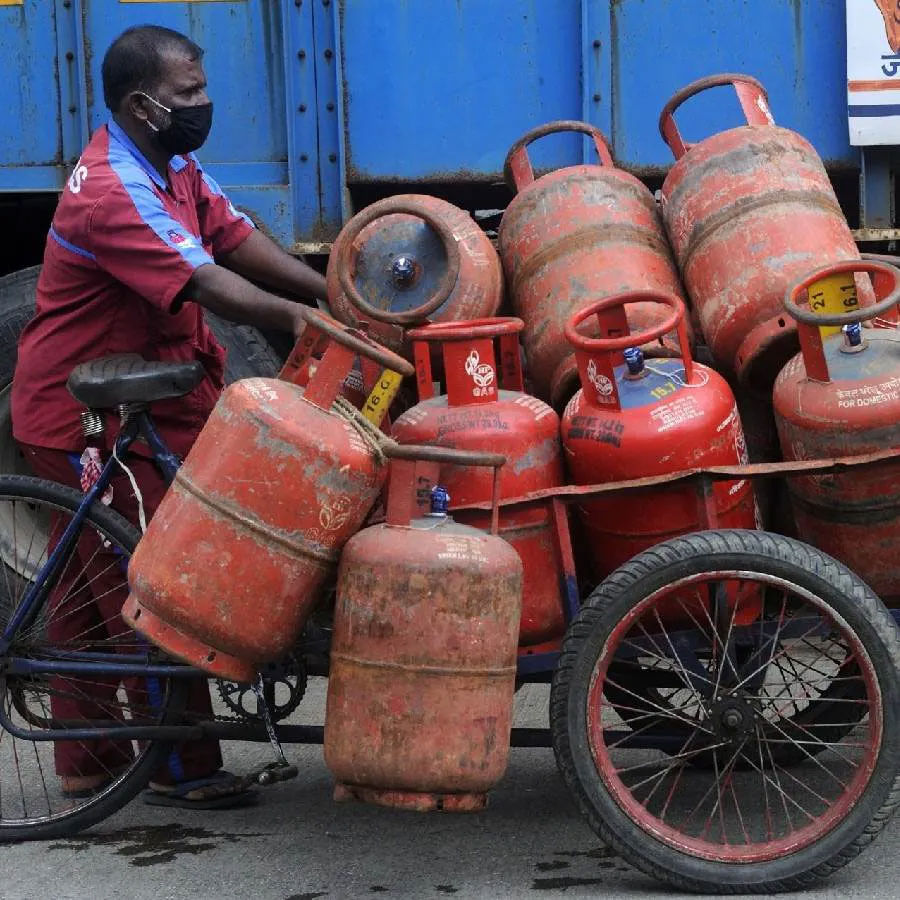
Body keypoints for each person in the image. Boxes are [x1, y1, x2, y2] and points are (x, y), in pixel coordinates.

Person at [11, 24, 328, 808]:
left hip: (149, 389)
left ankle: (89, 760)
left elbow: (237, 238)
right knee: (157, 579)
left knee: (85, 589)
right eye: (189, 94)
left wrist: (326, 291)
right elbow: (211, 283)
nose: (205, 104)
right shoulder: (114, 189)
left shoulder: (171, 162)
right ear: (141, 105)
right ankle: (181, 767)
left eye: (203, 88)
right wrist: (300, 320)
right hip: (89, 414)